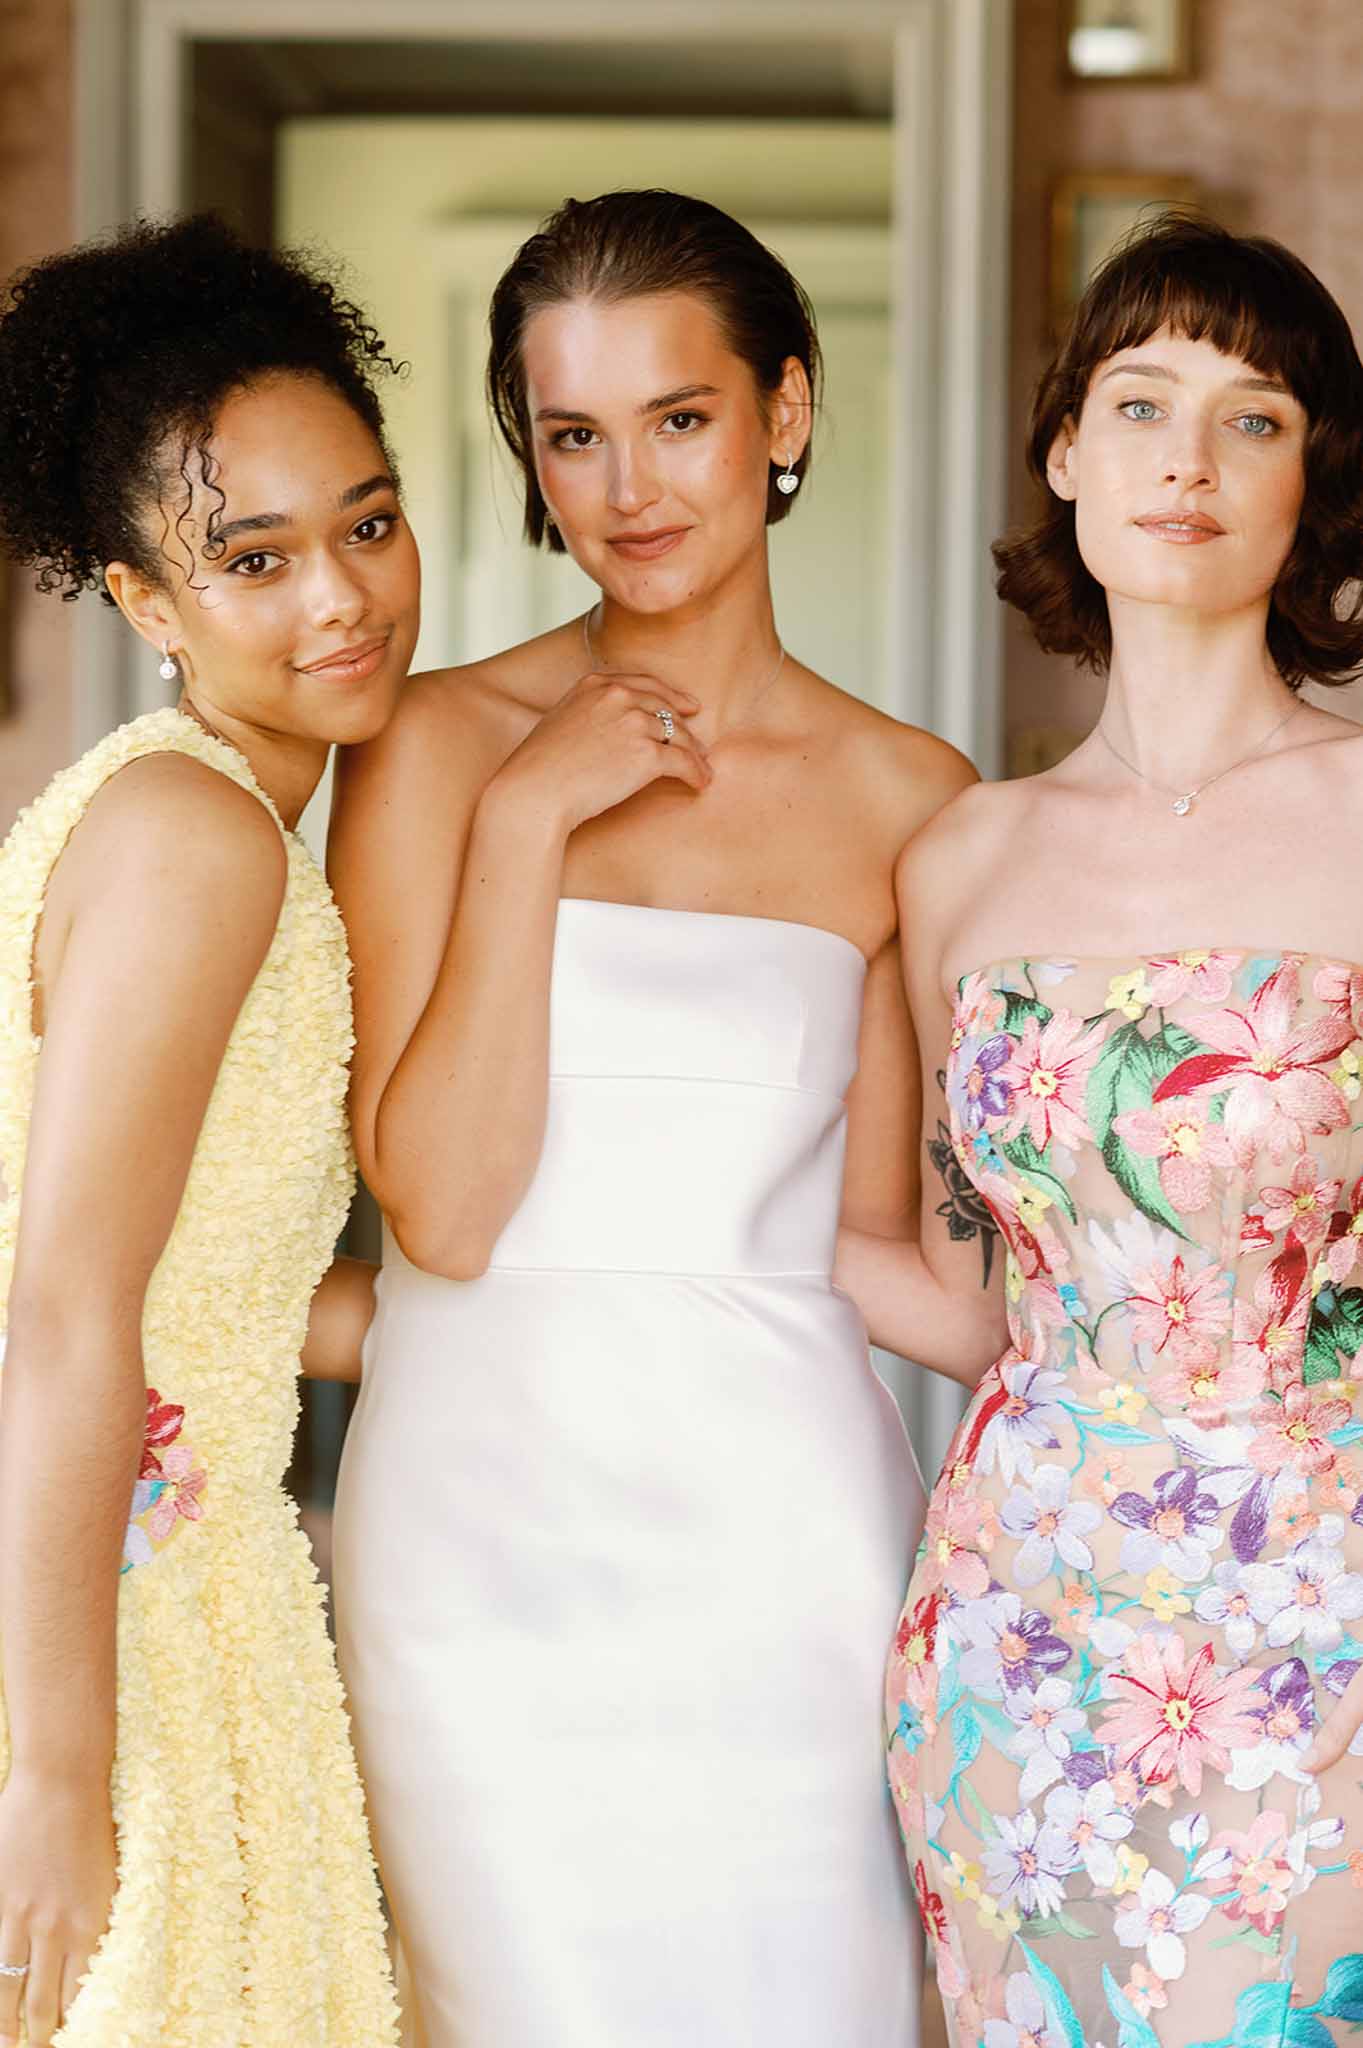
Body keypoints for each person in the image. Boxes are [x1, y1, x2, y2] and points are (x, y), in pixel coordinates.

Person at [327, 188, 972, 2047]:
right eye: (574, 435)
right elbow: (440, 1213)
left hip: (783, 1542)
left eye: (679, 418)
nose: (629, 486)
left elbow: (878, 1251)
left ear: (783, 411)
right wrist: (530, 821)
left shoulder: (909, 797)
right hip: (482, 1544)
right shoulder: (437, 749)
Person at [838, 213, 1363, 2045]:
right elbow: (979, 1296)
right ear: (1065, 454)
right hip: (1026, 1629)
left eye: (1255, 418)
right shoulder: (963, 858)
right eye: (1140, 404)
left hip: (1335, 1612)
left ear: (1319, 477)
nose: (1187, 463)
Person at [0, 214, 421, 2047]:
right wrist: (55, 1776)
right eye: (254, 558)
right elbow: (69, 1315)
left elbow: (210, 1288)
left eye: (369, 522)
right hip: (127, 1620)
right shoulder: (195, 841)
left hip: (182, 1579)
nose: (340, 595)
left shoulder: (233, 823)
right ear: (144, 602)